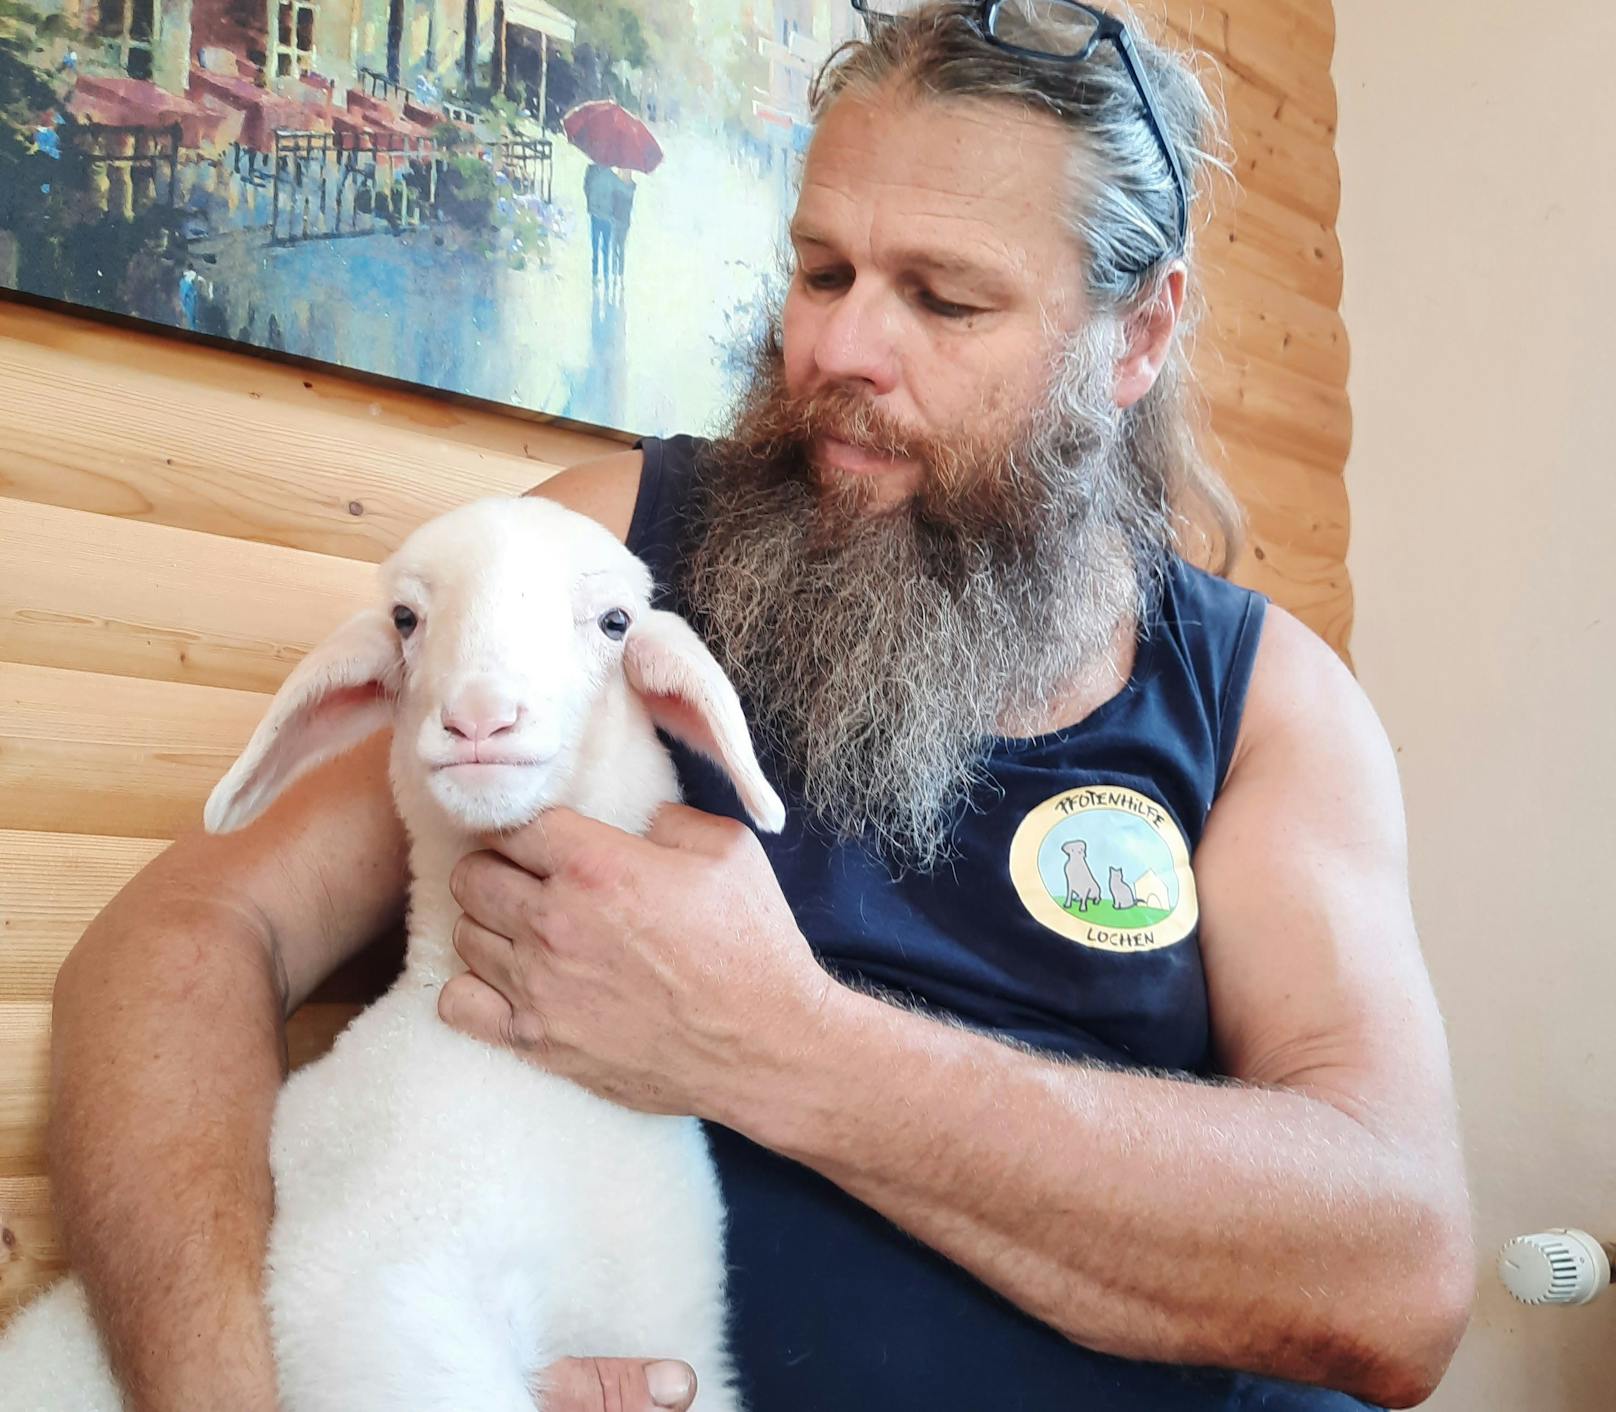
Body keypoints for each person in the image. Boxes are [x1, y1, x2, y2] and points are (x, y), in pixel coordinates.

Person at [45, 4, 1474, 1410]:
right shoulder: (609, 563)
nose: (840, 349)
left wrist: (778, 1045)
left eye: (943, 298)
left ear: (1137, 331)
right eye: (822, 270)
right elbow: (183, 938)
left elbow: (1400, 1274)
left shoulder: (1262, 700)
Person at [583, 159, 614, 290]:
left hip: (602, 214)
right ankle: (600, 274)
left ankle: (601, 274)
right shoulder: (604, 174)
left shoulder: (592, 172)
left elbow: (586, 188)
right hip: (601, 214)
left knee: (601, 247)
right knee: (599, 247)